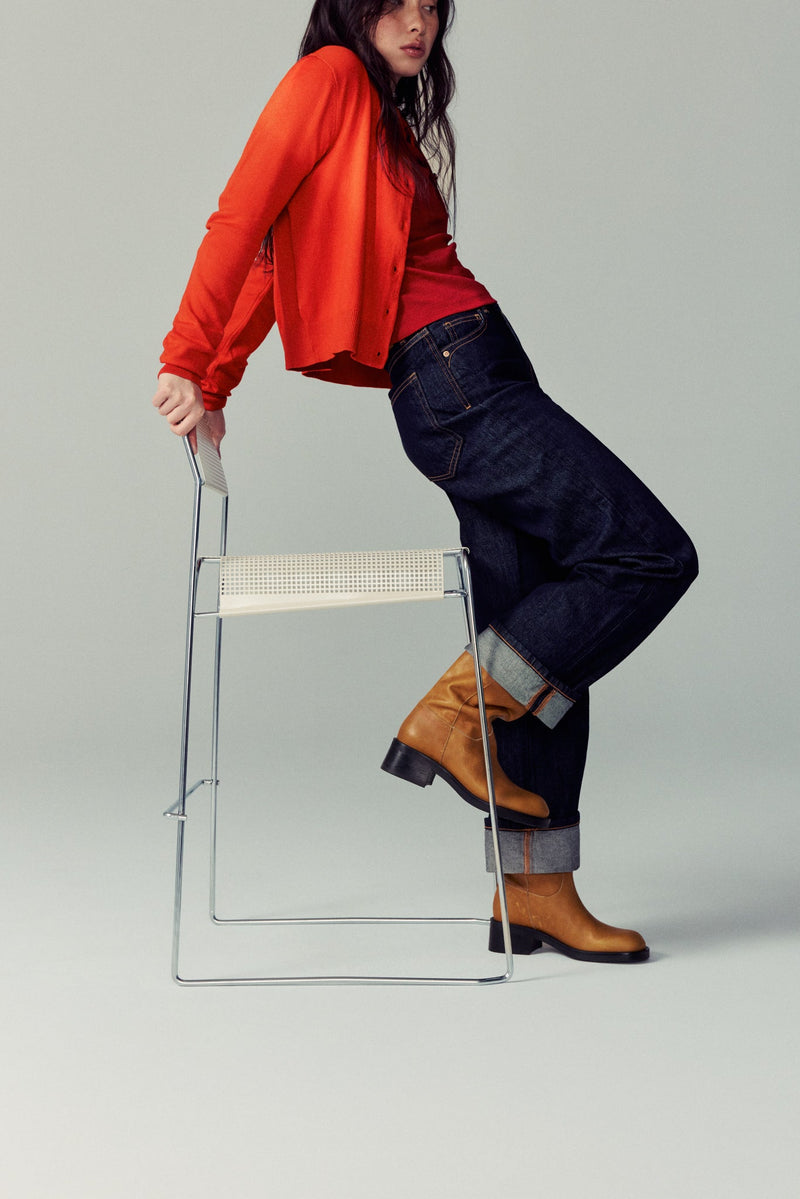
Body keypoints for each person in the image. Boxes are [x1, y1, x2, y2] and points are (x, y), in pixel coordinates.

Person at [153, 0, 698, 964]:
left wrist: (219, 370)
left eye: (433, 6)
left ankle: (536, 894)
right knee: (647, 553)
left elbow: (285, 251)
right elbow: (247, 218)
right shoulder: (326, 81)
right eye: (396, 2)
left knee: (541, 648)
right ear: (350, 7)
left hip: (471, 366)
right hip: (452, 377)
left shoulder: (377, 107)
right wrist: (196, 361)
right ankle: (454, 710)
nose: (419, 22)